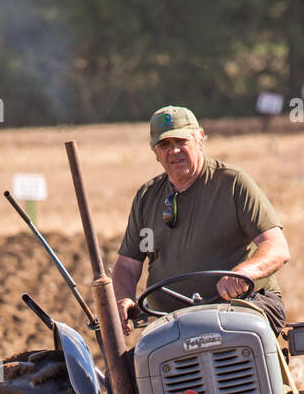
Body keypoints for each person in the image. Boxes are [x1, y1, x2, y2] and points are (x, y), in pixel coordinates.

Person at [112, 105, 290, 335]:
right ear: (154, 152)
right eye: (164, 145)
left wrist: (244, 273)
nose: (174, 151)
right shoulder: (147, 197)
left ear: (200, 139)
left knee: (228, 337)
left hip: (243, 306)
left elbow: (277, 247)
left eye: (181, 141)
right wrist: (124, 298)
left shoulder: (233, 183)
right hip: (171, 321)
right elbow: (127, 264)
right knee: (133, 366)